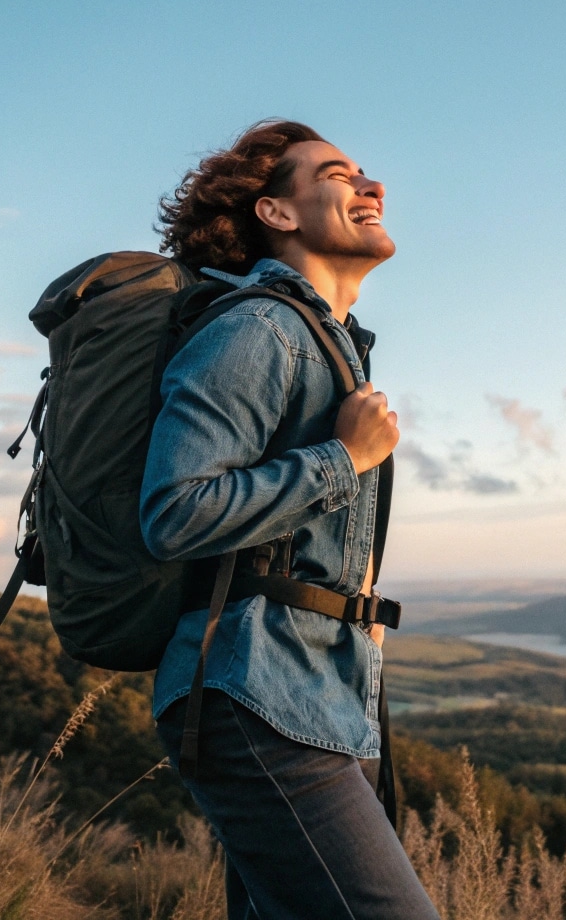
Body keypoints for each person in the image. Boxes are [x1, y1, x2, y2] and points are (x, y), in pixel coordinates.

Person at [141, 120, 439, 920]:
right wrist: (344, 459)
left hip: (320, 696)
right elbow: (173, 512)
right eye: (339, 175)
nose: (371, 187)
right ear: (276, 213)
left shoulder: (326, 343)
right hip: (254, 692)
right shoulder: (257, 330)